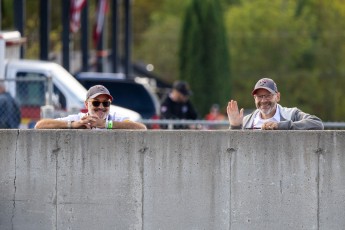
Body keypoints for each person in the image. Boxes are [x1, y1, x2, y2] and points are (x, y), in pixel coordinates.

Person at [227, 77, 324, 130]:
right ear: (254, 98)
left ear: (277, 96)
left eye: (268, 95)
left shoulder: (291, 114)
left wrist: (280, 126)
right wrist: (235, 127)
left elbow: (317, 123)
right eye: (260, 96)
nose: (263, 100)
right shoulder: (246, 121)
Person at [34, 85, 147, 130]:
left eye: (106, 103)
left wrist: (106, 124)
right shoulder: (79, 118)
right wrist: (72, 125)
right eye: (96, 103)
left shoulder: (114, 118)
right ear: (86, 104)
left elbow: (141, 128)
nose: (101, 107)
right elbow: (40, 126)